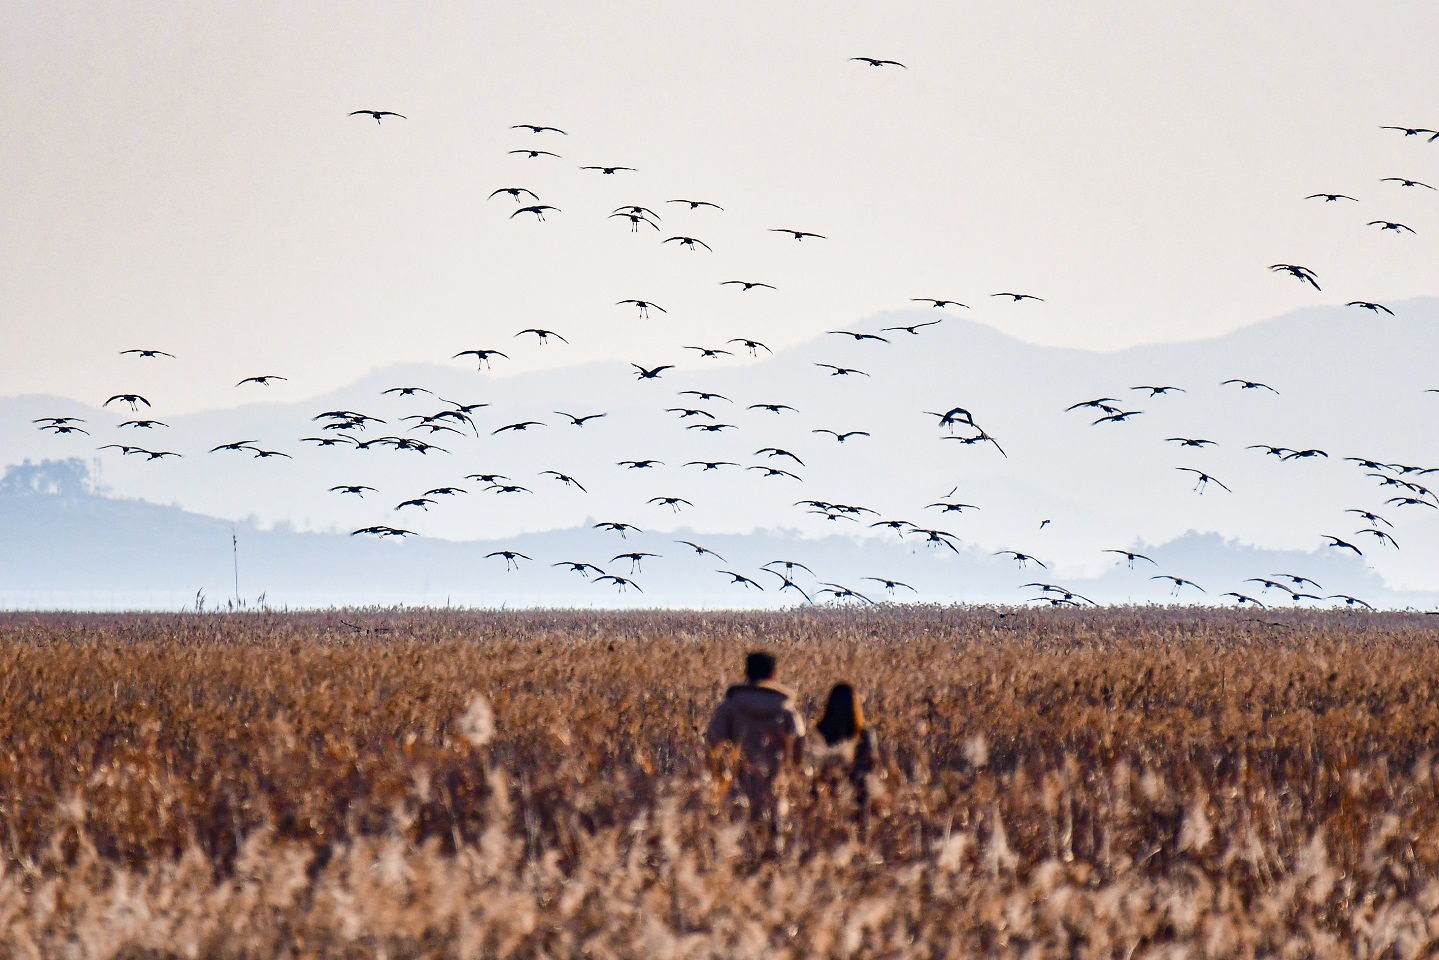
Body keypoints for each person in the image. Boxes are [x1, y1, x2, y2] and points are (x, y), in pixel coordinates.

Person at [704, 650, 806, 831]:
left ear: (746, 673)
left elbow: (712, 746)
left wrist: (719, 778)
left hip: (737, 791)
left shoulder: (730, 707)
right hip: (776, 791)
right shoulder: (787, 711)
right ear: (773, 675)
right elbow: (800, 753)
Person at [813, 682, 878, 829]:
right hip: (858, 796)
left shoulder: (819, 733)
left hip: (824, 796)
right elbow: (872, 764)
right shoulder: (865, 734)